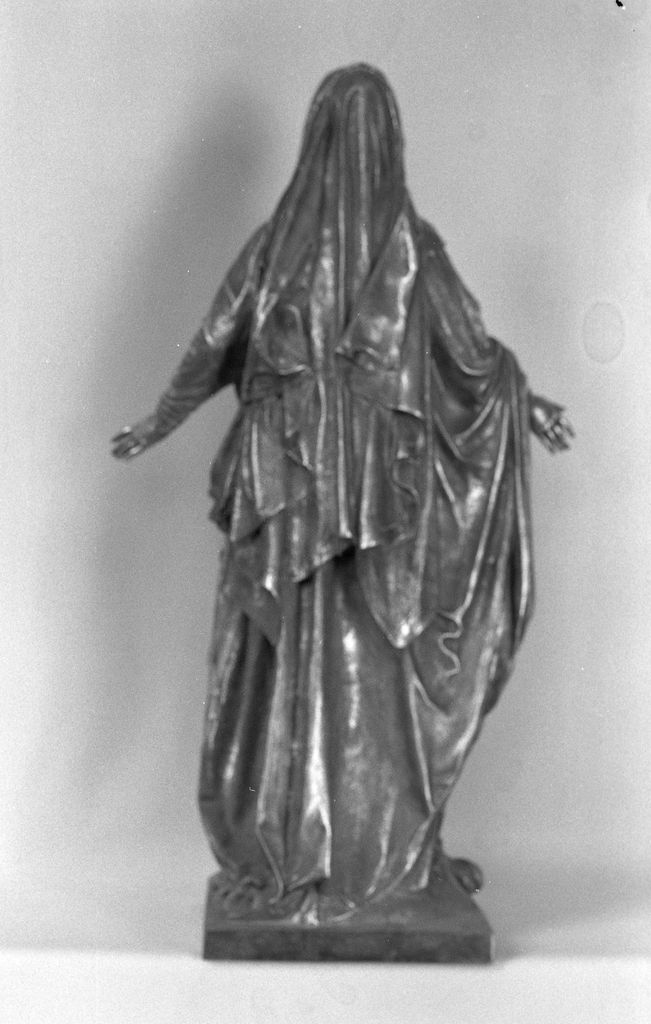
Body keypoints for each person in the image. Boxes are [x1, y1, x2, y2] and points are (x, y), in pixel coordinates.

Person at [112, 64, 573, 925]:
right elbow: (220, 341)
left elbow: (464, 356)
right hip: (316, 494)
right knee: (341, 667)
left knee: (353, 669)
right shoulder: (387, 246)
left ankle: (363, 850)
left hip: (336, 496)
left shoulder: (349, 247)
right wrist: (158, 420)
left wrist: (523, 402)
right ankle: (315, 850)